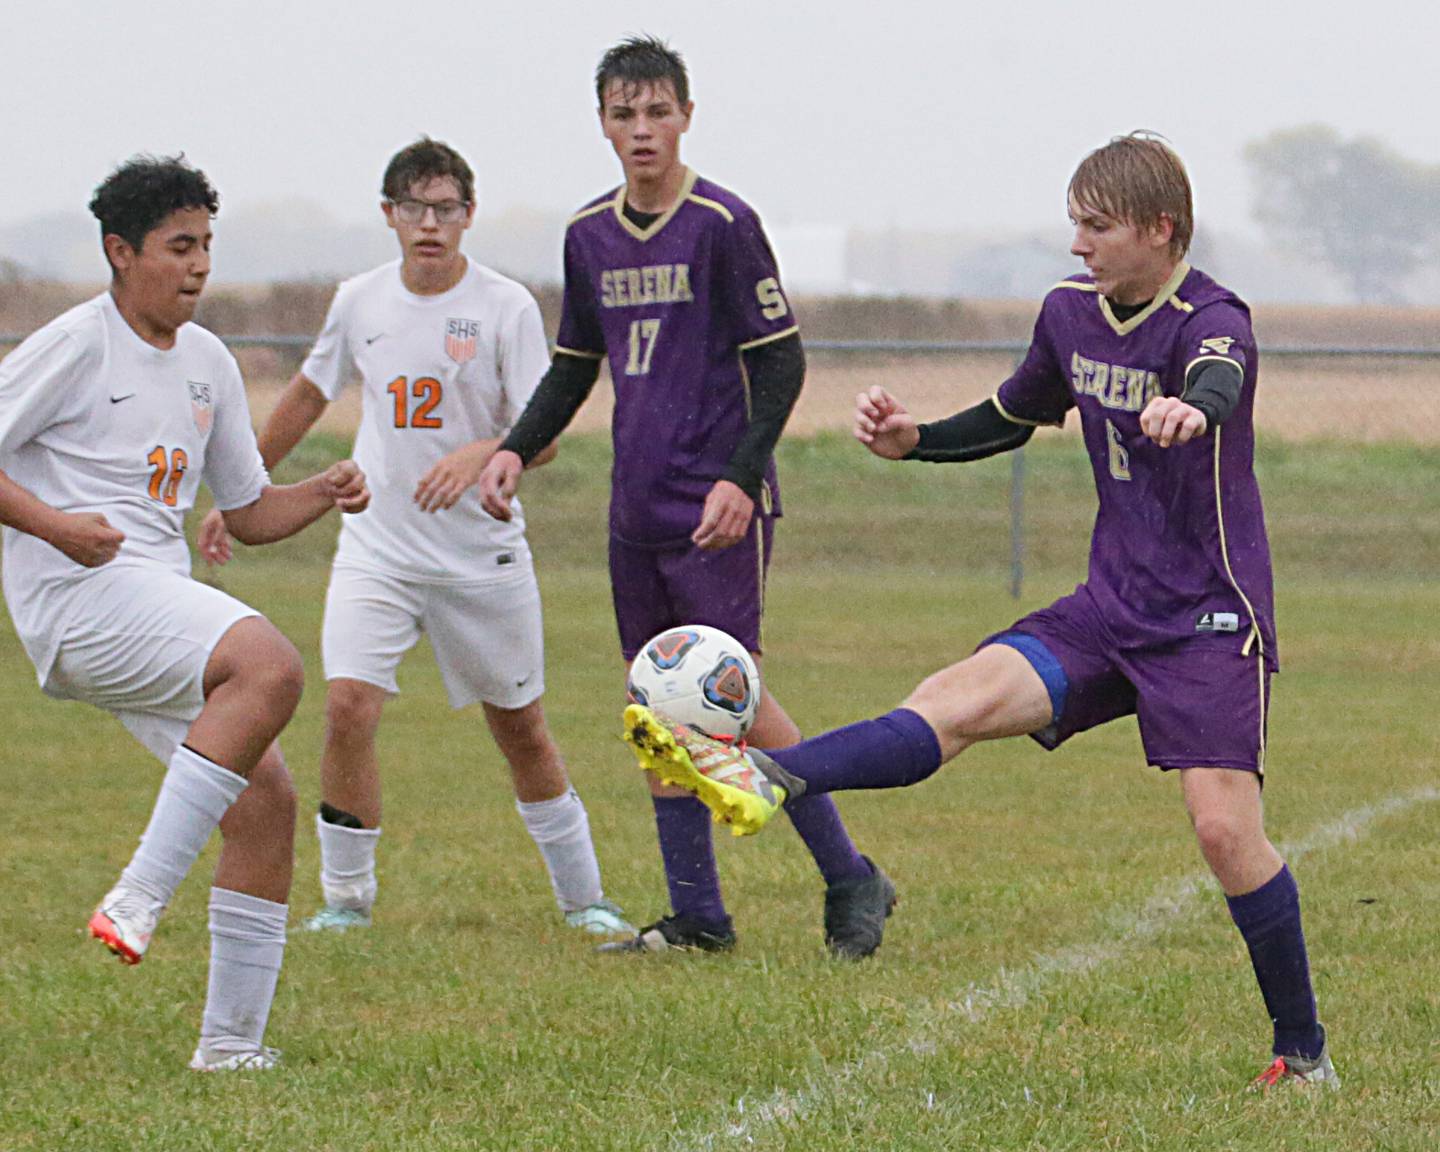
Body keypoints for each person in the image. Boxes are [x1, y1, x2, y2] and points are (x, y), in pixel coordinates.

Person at [621, 132, 1338, 1087]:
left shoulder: (1210, 316)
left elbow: (1222, 372)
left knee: (1223, 831)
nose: (1078, 244)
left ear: (1161, 230)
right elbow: (1015, 411)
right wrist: (917, 439)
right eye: (1074, 223)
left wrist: (1196, 410)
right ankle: (767, 778)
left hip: (1208, 617)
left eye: (1098, 225)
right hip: (1109, 607)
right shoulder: (1069, 315)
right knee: (953, 699)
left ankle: (1304, 1056)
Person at [478, 36, 895, 958]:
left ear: (686, 116)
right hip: (634, 511)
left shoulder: (722, 223)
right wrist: (514, 449)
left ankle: (851, 873)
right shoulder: (588, 234)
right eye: (623, 115)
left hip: (715, 509)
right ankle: (698, 915)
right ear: (602, 124)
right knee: (658, 708)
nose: (641, 131)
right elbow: (573, 367)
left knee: (729, 703)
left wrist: (740, 476)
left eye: (657, 111)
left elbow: (781, 360)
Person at [197, 138, 632, 938]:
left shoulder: (504, 307)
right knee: (349, 708)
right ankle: (346, 903)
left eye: (445, 208)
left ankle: (585, 901)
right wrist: (241, 486)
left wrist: (480, 455)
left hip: (480, 556)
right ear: (388, 215)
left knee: (521, 728)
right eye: (412, 208)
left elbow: (547, 432)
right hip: (377, 550)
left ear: (469, 215)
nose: (428, 223)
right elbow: (307, 393)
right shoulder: (359, 300)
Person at [0, 155, 371, 1070]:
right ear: (121, 253)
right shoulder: (78, 342)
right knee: (272, 666)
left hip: (152, 604)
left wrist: (321, 489)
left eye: (207, 244)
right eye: (179, 246)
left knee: (265, 800)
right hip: (76, 599)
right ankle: (139, 893)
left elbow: (246, 513)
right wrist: (54, 527)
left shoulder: (206, 360)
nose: (200, 265)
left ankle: (230, 1047)